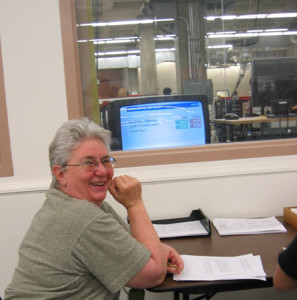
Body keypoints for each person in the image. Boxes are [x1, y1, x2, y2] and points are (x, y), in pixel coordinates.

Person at [4, 118, 184, 300]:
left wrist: (158, 251)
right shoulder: (83, 217)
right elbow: (154, 275)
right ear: (60, 174)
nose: (103, 172)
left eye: (106, 161)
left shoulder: (66, 204)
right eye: (89, 163)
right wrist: (134, 204)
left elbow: (126, 247)